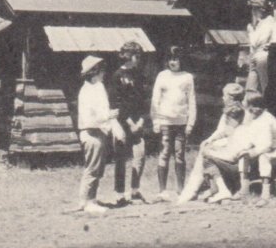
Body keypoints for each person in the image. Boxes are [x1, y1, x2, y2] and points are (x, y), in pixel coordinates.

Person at [203, 93, 276, 205]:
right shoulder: (254, 117)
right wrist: (243, 150)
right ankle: (244, 192)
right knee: (244, 154)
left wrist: (251, 152)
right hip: (267, 148)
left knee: (263, 157)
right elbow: (250, 140)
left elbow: (266, 145)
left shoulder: (266, 119)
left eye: (246, 103)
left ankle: (265, 196)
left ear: (253, 105)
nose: (244, 105)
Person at [176, 82, 245, 204]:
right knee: (205, 148)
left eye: (224, 95)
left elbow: (228, 132)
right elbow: (220, 130)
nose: (223, 98)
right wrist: (208, 140)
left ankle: (192, 191)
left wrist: (212, 140)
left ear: (231, 97)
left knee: (205, 153)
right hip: (227, 142)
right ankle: (196, 190)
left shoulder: (236, 111)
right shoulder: (229, 110)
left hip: (233, 144)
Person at [77, 55, 124, 214]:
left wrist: (109, 116)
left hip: (100, 132)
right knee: (93, 168)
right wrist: (108, 116)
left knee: (96, 168)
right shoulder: (86, 91)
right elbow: (89, 118)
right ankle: (88, 201)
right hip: (91, 133)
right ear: (94, 72)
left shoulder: (99, 87)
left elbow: (102, 110)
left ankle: (87, 199)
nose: (104, 73)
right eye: (101, 70)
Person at [151, 46, 196, 201]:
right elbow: (155, 100)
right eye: (170, 59)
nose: (173, 62)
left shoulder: (187, 77)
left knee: (179, 154)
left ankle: (180, 188)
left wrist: (190, 122)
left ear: (181, 60)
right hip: (165, 121)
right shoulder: (162, 76)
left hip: (181, 123)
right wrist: (156, 120)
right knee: (164, 153)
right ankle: (162, 190)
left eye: (175, 59)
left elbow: (191, 100)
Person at [109, 41, 149, 204]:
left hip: (137, 121)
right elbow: (116, 102)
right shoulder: (117, 75)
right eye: (136, 55)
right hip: (122, 123)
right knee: (121, 159)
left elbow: (142, 99)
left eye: (139, 55)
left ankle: (135, 190)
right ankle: (119, 193)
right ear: (127, 56)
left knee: (140, 155)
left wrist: (140, 120)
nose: (138, 58)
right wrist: (129, 122)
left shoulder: (139, 75)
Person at [245, 0, 274, 96]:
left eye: (255, 8)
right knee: (250, 87)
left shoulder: (269, 22)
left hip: (262, 55)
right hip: (254, 56)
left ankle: (269, 107)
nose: (253, 11)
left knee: (265, 86)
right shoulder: (255, 25)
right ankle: (249, 108)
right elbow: (252, 44)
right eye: (253, 8)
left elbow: (260, 41)